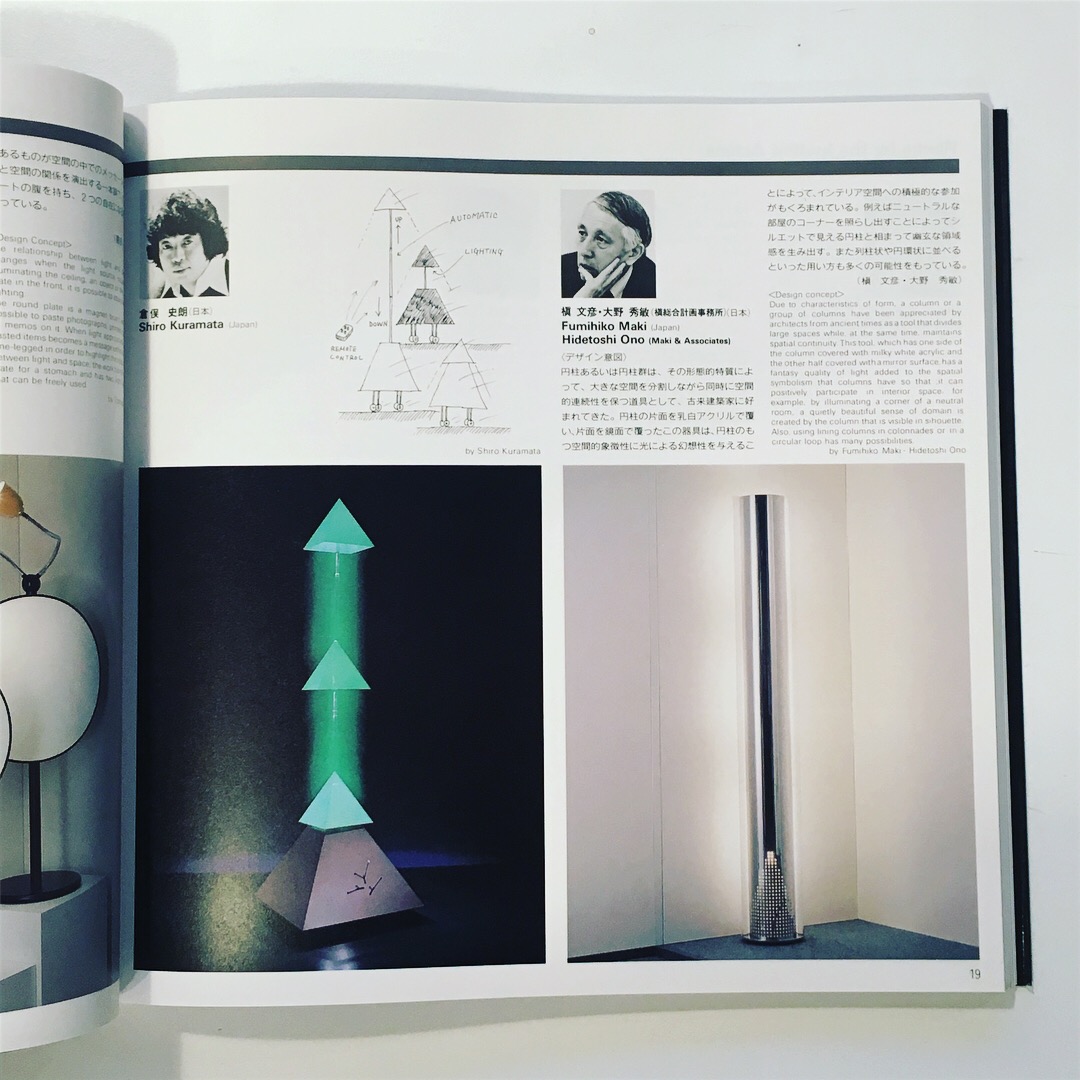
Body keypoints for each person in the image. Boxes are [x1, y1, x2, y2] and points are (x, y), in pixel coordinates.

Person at [561, 191, 656, 299]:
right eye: (582, 233)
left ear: (633, 253)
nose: (584, 251)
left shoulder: (655, 284)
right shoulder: (560, 270)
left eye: (601, 239)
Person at [146, 190, 230, 297]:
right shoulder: (156, 294)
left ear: (209, 243)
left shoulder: (237, 278)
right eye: (167, 246)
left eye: (187, 242)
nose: (177, 258)